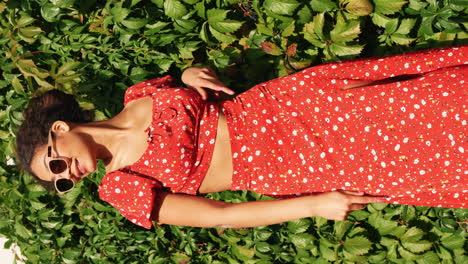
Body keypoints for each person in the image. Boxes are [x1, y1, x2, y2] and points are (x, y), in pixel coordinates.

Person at [16, 45, 467, 230]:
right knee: (432, 157)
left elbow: (190, 97)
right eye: (61, 182)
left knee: (436, 96)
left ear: (61, 129)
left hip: (295, 105)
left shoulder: (140, 94)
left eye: (56, 164)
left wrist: (190, 78)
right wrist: (313, 205)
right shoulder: (121, 186)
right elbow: (218, 216)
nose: (68, 175)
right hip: (300, 162)